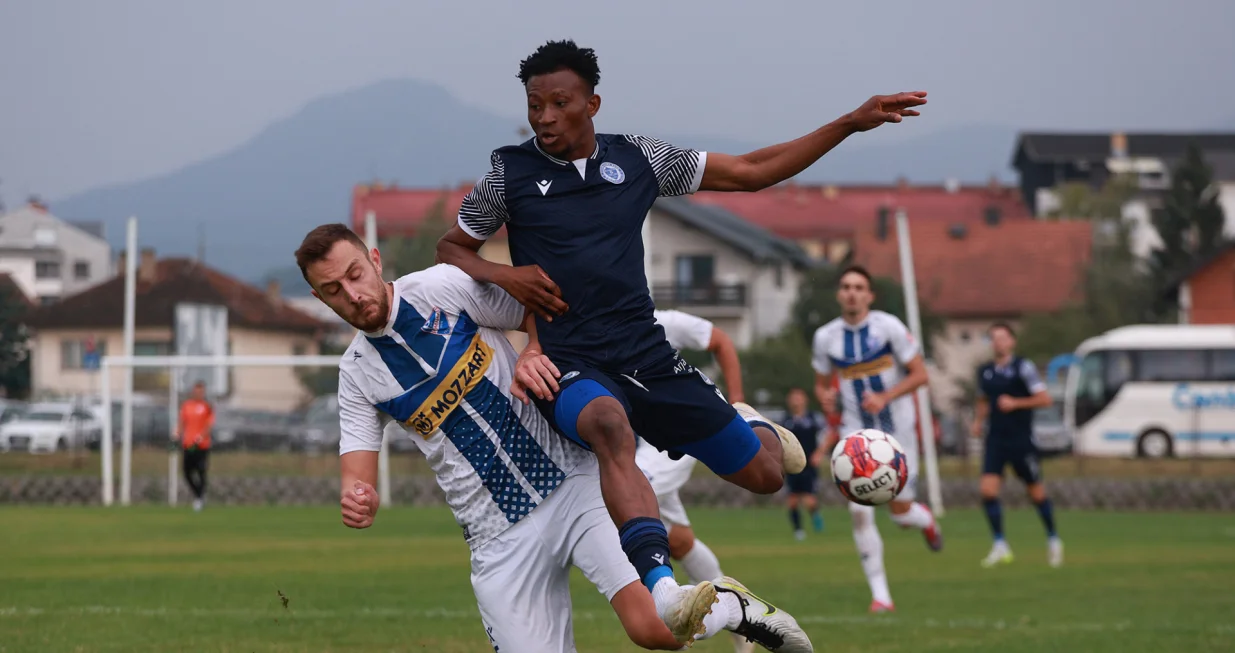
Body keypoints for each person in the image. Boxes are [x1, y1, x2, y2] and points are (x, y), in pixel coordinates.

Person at [436, 39, 924, 628]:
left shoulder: (639, 158)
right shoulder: (507, 174)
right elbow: (452, 247)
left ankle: (753, 423)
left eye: (558, 103)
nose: (543, 117)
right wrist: (503, 274)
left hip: (648, 355)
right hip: (570, 361)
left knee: (767, 476)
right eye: (534, 104)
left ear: (592, 103)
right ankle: (665, 588)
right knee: (607, 426)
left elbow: (750, 172)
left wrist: (848, 123)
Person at [294, 224, 808, 653]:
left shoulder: (439, 288)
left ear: (375, 260)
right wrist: (357, 498)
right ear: (319, 298)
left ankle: (735, 607)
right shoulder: (357, 374)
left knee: (656, 630)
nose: (353, 294)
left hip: (575, 483)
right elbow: (356, 474)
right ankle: (727, 600)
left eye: (355, 274)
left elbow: (538, 311)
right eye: (334, 290)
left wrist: (534, 351)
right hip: (495, 535)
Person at [812, 265, 943, 614]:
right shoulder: (826, 337)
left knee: (900, 516)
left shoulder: (889, 328)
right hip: (855, 437)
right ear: (839, 294)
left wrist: (886, 396)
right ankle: (881, 596)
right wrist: (825, 397)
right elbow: (822, 384)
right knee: (859, 513)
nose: (852, 292)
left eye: (859, 287)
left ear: (869, 295)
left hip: (896, 436)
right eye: (846, 286)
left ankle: (924, 520)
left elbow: (920, 375)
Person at [637, 309, 752, 653]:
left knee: (623, 509)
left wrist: (738, 403)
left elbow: (720, 340)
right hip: (635, 448)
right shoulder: (597, 327)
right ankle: (736, 611)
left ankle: (679, 623)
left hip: (674, 440)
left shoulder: (662, 321)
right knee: (681, 542)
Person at [972, 322, 1063, 569]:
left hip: (1021, 440)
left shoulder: (1023, 367)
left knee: (1036, 494)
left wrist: (1016, 403)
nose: (998, 343)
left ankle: (1053, 539)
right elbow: (982, 399)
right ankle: (1000, 544)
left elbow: (1044, 399)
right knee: (988, 491)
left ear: (1012, 341)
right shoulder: (986, 372)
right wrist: (979, 421)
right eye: (994, 338)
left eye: (1002, 338)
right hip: (995, 440)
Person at [779, 388, 827, 541]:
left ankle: (815, 515)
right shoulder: (785, 421)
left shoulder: (814, 418)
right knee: (792, 500)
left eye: (798, 397)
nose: (796, 401)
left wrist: (819, 453)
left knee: (809, 500)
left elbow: (828, 434)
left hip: (809, 464)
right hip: (792, 464)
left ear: (805, 400)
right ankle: (798, 531)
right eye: (793, 398)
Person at [176, 380, 214, 512]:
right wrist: (177, 434)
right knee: (187, 472)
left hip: (202, 445)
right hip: (188, 444)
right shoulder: (187, 406)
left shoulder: (206, 407)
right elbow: (181, 422)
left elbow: (209, 425)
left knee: (201, 471)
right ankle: (199, 495)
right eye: (197, 391)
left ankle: (199, 498)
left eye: (201, 391)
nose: (199, 393)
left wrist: (201, 437)